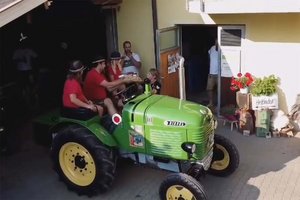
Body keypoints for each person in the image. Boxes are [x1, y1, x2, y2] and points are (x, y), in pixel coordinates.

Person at [206, 39, 220, 107]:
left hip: (219, 74)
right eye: (216, 42)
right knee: (209, 89)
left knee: (219, 89)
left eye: (218, 42)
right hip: (211, 73)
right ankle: (211, 102)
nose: (217, 43)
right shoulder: (212, 48)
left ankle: (219, 103)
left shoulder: (222, 50)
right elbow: (209, 57)